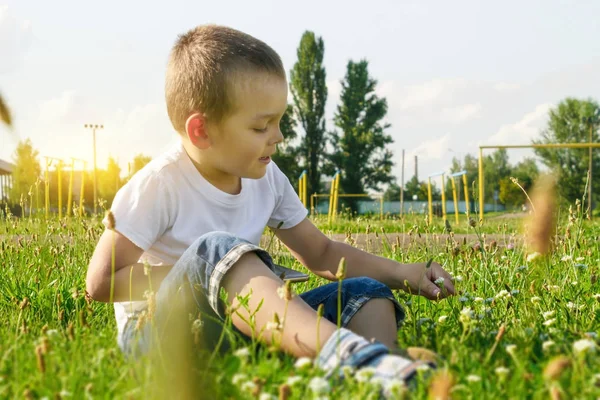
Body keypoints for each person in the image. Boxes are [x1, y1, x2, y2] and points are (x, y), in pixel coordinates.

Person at [85, 24, 455, 396]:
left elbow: (321, 253)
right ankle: (347, 355)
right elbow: (100, 282)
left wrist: (402, 273)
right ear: (201, 131)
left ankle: (381, 369)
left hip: (245, 326)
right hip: (164, 334)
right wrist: (211, 279)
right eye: (262, 126)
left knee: (366, 292)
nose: (278, 136)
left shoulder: (267, 177)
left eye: (278, 121)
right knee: (216, 250)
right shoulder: (159, 185)